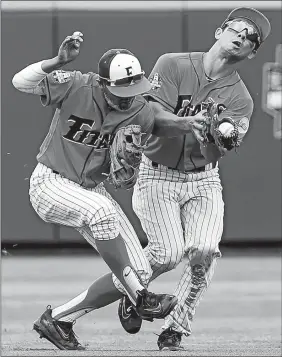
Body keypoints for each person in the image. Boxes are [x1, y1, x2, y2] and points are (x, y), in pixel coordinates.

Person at [12, 32, 206, 350]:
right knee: (101, 213)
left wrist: (129, 169)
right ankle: (141, 299)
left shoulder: (140, 111)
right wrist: (58, 61)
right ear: (103, 83)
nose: (129, 96)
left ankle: (58, 320)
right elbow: (20, 82)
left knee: (140, 269)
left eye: (134, 89)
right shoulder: (77, 84)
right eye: (122, 89)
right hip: (51, 183)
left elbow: (129, 167)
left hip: (92, 189)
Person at [117, 7, 271, 351]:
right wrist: (192, 123)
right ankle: (132, 292)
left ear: (252, 53)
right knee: (166, 254)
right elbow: (152, 114)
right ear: (220, 31)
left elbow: (230, 140)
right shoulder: (172, 64)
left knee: (203, 251)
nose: (242, 37)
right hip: (157, 175)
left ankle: (176, 329)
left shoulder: (240, 98)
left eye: (250, 38)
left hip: (203, 181)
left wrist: (223, 135)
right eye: (238, 29)